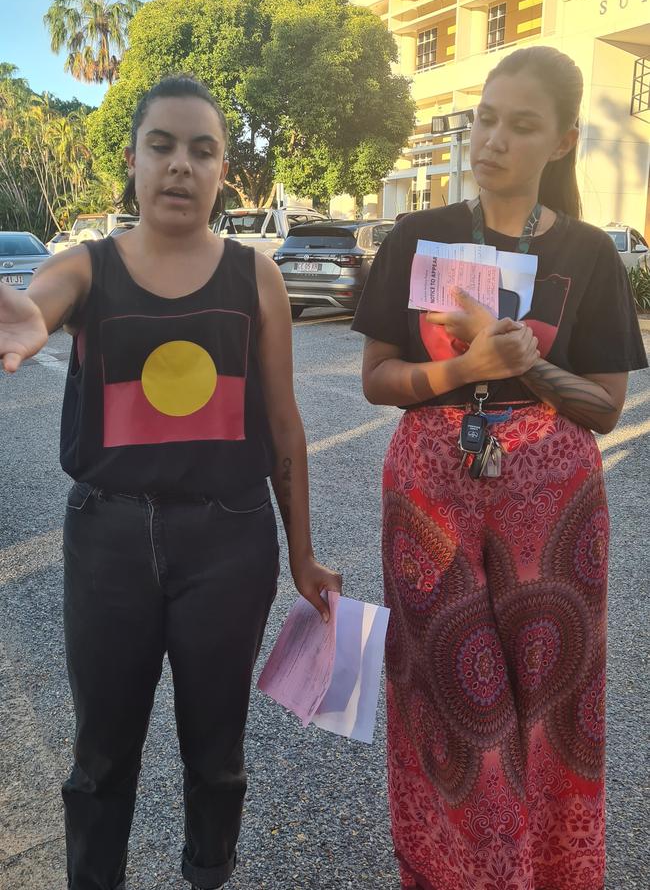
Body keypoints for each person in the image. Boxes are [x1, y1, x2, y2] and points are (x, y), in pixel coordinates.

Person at [0, 75, 341, 890]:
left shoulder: (255, 277)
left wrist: (302, 553)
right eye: (162, 146)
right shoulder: (85, 267)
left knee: (217, 753)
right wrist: (29, 313)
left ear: (224, 169)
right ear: (132, 160)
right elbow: (43, 299)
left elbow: (285, 425)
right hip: (109, 538)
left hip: (230, 541)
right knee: (100, 756)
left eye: (201, 150)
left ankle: (207, 874)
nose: (180, 166)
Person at [352, 46, 647, 890]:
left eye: (521, 126)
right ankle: (458, 873)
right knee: (450, 698)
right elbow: (377, 380)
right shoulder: (418, 235)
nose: (493, 140)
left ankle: (549, 873)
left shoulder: (589, 253)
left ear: (561, 141)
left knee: (556, 703)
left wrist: (525, 370)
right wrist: (464, 368)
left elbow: (605, 406)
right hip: (430, 499)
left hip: (555, 507)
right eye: (485, 118)